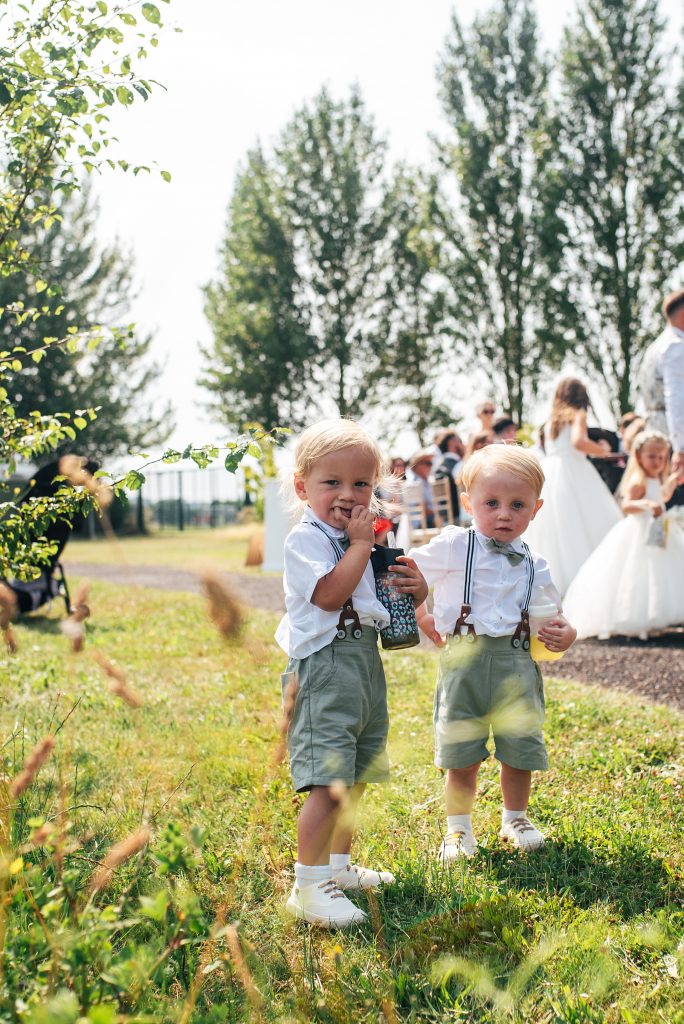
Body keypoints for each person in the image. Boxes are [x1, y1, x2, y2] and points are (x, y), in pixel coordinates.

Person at [276, 419, 428, 927]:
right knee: (330, 778)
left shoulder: (358, 537)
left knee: (358, 770)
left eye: (361, 484)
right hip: (324, 666)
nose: (348, 494)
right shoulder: (308, 538)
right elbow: (327, 595)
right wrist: (361, 546)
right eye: (332, 483)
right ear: (303, 487)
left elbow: (375, 599)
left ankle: (337, 868)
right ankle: (308, 884)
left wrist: (413, 589)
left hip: (362, 660)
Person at [409, 445, 576, 859]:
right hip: (465, 662)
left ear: (535, 510)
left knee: (519, 747)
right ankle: (458, 830)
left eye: (517, 505)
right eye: (492, 503)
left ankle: (515, 817)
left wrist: (567, 631)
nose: (504, 514)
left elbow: (553, 613)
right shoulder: (454, 547)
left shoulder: (535, 563)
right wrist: (424, 614)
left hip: (517, 663)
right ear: (468, 503)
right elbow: (406, 570)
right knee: (462, 752)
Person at [563, 430, 684, 640]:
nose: (657, 462)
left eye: (661, 457)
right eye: (652, 456)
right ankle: (638, 617)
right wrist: (645, 504)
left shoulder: (655, 478)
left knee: (660, 574)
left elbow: (663, 495)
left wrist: (673, 479)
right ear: (639, 456)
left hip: (657, 532)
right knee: (639, 573)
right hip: (639, 533)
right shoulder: (638, 481)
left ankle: (659, 615)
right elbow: (626, 506)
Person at [523, 378, 621, 594]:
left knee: (557, 527)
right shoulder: (578, 415)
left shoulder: (550, 422)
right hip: (574, 469)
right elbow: (578, 442)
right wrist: (602, 451)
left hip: (550, 471)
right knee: (592, 520)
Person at [639, 289, 684, 483]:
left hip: (653, 433)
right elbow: (676, 399)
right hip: (672, 438)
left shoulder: (656, 346)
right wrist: (681, 448)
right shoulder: (676, 346)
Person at [433, 429, 465, 524]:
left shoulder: (436, 468)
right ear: (452, 443)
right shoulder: (460, 466)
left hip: (444, 520)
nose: (463, 445)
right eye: (460, 441)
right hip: (462, 518)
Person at [408, 448, 436, 527]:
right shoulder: (413, 483)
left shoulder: (427, 481)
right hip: (421, 524)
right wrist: (439, 514)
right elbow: (422, 509)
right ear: (417, 465)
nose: (431, 466)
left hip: (429, 519)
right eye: (428, 463)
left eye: (431, 463)